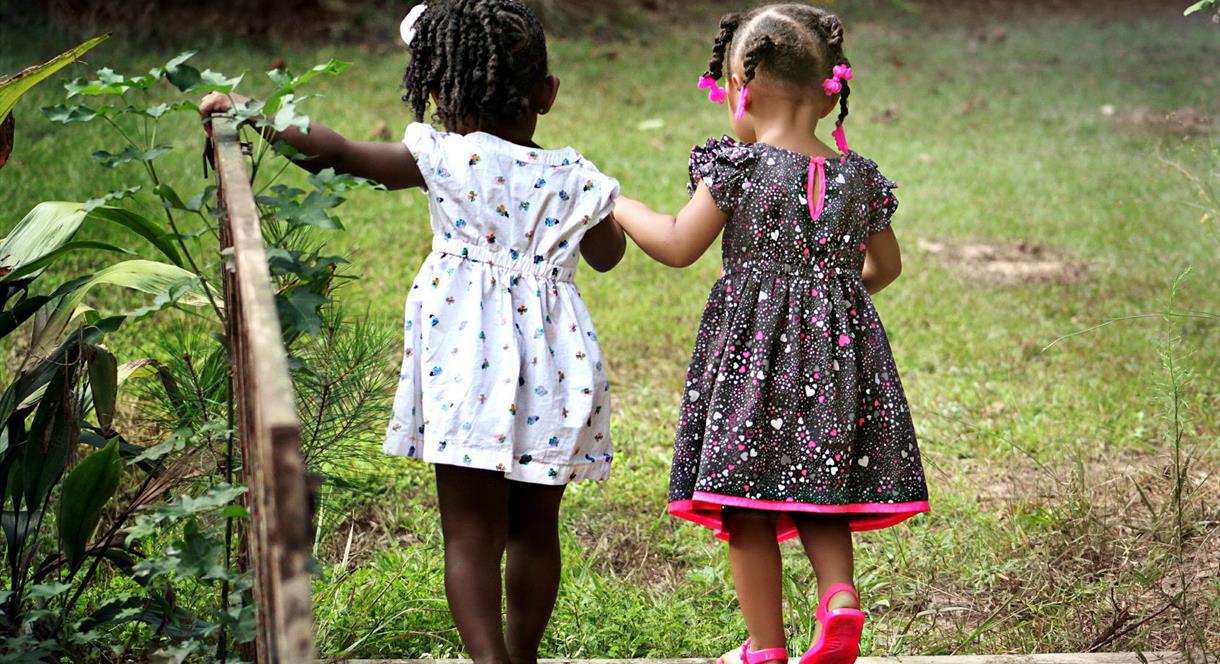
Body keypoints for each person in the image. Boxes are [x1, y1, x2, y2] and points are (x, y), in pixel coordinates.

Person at [201, 2, 624, 662]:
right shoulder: (574, 177)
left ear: (437, 93)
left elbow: (336, 155)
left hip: (465, 368)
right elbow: (608, 255)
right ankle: (523, 655)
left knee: (469, 534)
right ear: (546, 94)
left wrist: (257, 113)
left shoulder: (445, 160)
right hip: (554, 373)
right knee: (537, 530)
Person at [611, 5, 929, 664]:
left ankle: (765, 648)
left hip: (751, 368)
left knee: (746, 506)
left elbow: (676, 245)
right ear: (829, 89)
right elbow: (887, 267)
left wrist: (618, 205)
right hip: (837, 362)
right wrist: (830, 299)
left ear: (741, 90)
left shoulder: (739, 169)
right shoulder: (859, 177)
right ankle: (839, 599)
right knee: (821, 491)